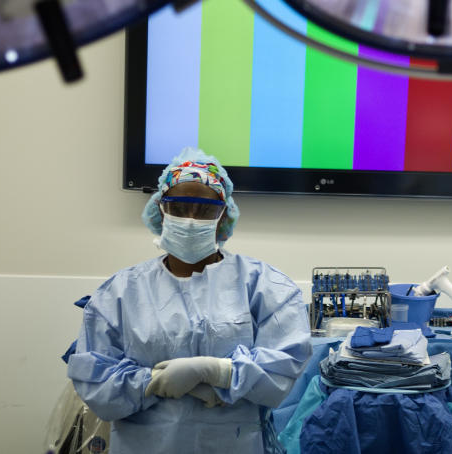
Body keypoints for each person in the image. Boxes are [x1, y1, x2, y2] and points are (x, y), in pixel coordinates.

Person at [67, 148, 312, 453]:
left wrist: (217, 371)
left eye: (205, 208)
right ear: (161, 209)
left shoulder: (264, 285)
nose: (191, 219)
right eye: (180, 207)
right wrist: (152, 382)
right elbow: (94, 382)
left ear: (224, 214)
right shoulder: (119, 292)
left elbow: (285, 365)